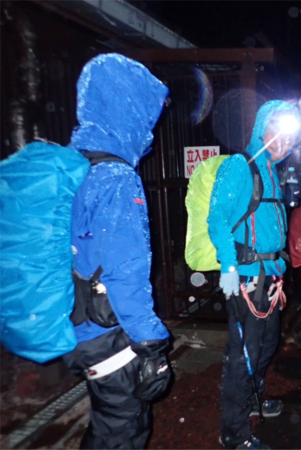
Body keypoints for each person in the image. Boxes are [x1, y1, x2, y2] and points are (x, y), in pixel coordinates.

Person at [63, 53, 172, 449]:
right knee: (122, 430)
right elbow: (126, 272)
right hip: (108, 332)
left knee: (106, 422)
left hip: (73, 322)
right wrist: (150, 343)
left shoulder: (72, 166)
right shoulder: (116, 178)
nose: (150, 130)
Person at [208, 100, 301, 450]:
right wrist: (229, 266)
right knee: (241, 357)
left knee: (265, 348)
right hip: (246, 280)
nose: (284, 141)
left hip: (270, 279)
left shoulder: (272, 173)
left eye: (289, 135)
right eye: (277, 128)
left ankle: (252, 402)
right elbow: (217, 218)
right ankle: (234, 433)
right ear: (262, 125)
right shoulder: (240, 166)